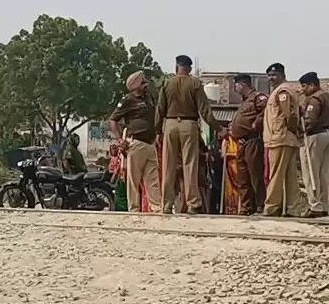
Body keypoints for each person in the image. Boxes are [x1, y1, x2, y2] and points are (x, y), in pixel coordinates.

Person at [155, 55, 216, 214]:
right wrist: (217, 127)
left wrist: (157, 131)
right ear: (189, 68)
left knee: (168, 165)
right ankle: (193, 203)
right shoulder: (195, 83)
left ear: (176, 67)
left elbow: (160, 109)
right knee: (190, 164)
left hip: (170, 124)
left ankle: (166, 204)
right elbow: (204, 110)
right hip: (189, 125)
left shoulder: (167, 83)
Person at [109, 71, 162, 212]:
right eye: (143, 82)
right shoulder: (127, 100)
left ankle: (157, 209)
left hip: (150, 144)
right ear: (136, 85)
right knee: (133, 180)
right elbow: (113, 120)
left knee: (153, 180)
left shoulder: (149, 98)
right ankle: (134, 210)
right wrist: (119, 139)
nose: (146, 84)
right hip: (136, 143)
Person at [262, 62, 305, 217]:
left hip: (280, 138)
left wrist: (291, 129)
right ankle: (293, 208)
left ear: (282, 75)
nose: (271, 78)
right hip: (285, 138)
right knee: (290, 176)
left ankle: (272, 207)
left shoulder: (283, 91)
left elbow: (290, 115)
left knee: (276, 174)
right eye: (269, 76)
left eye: (274, 75)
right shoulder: (283, 90)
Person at [223, 74, 268, 215]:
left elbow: (266, 110)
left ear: (243, 84)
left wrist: (257, 122)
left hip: (253, 140)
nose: (235, 88)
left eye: (236, 85)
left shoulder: (257, 98)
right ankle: (246, 207)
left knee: (255, 175)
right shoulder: (243, 102)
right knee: (243, 178)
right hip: (241, 143)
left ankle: (260, 205)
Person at [299, 72, 329, 218]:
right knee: (323, 174)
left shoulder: (314, 99)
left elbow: (310, 120)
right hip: (328, 134)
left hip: (314, 136)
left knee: (311, 174)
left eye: (304, 86)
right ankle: (324, 205)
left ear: (312, 85)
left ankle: (315, 206)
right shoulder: (328, 97)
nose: (302, 90)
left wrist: (300, 130)